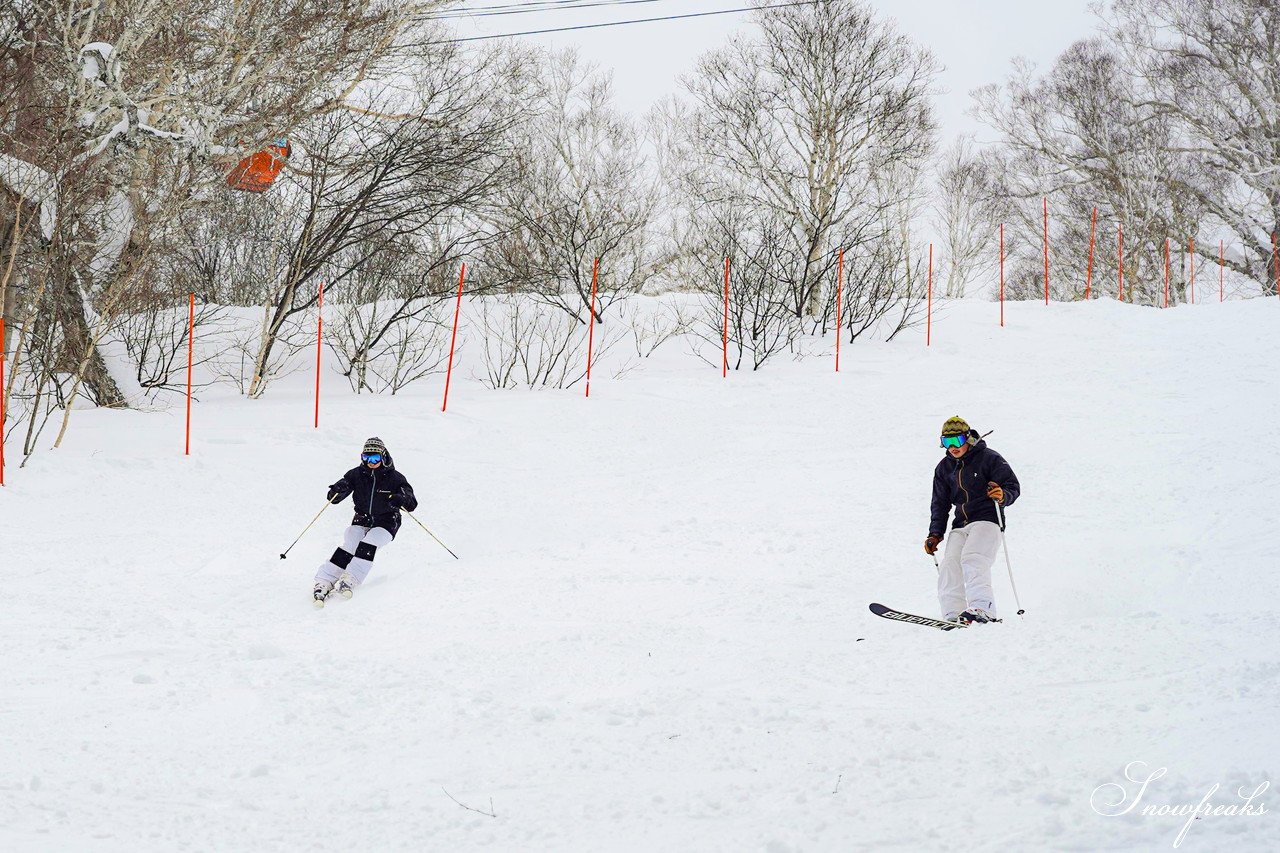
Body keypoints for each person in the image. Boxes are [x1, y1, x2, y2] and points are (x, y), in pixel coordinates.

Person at [925, 416, 1020, 624]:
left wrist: (1002, 495)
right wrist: (935, 533)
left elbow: (1013, 486)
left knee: (973, 558)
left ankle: (983, 608)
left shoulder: (989, 458)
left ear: (968, 438)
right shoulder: (943, 468)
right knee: (950, 563)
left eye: (957, 441)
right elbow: (940, 504)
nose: (952, 448)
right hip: (961, 524)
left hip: (987, 520)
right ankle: (952, 613)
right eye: (947, 442)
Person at [313, 437, 418, 605]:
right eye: (366, 458)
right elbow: (334, 497)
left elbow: (412, 503)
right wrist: (337, 491)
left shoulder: (396, 478)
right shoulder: (356, 474)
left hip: (387, 521)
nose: (370, 462)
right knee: (350, 544)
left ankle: (351, 579)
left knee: (368, 544)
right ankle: (325, 579)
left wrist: (402, 499)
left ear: (383, 457)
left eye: (375, 458)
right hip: (362, 518)